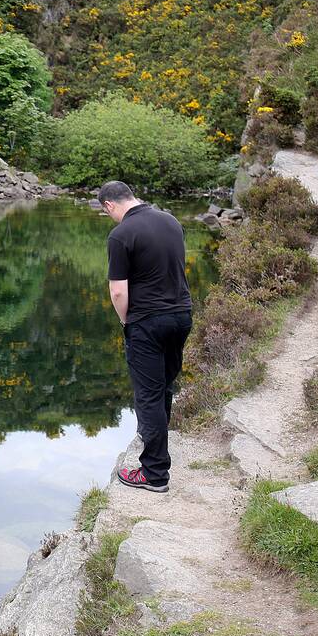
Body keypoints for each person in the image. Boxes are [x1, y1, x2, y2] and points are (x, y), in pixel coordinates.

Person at [98, 181, 193, 493]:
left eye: (106, 212)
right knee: (164, 384)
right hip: (181, 316)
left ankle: (154, 473)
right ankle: (154, 439)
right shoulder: (171, 221)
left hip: (148, 321)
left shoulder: (121, 234)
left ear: (109, 205)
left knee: (148, 395)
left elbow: (117, 291)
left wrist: (127, 321)